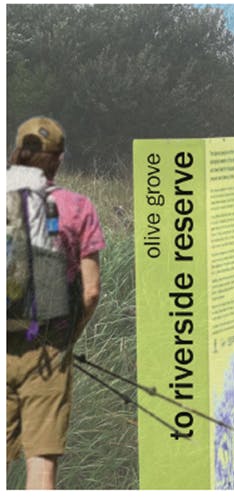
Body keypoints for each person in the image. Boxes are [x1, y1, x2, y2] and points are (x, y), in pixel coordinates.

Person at [6, 116, 105, 489]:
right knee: (41, 463)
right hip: (48, 349)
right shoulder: (78, 208)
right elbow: (91, 291)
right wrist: (69, 336)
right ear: (59, 159)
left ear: (18, 151)